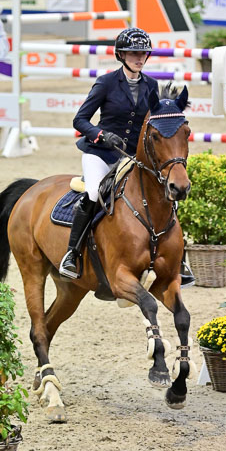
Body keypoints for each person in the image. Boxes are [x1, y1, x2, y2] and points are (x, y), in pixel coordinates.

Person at [59, 26, 195, 287]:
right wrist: (100, 135)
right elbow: (80, 119)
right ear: (121, 55)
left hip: (133, 158)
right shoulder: (106, 83)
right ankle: (72, 253)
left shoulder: (152, 86)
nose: (139, 58)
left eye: (143, 53)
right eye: (133, 53)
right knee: (93, 193)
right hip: (100, 153)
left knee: (166, 194)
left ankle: (180, 259)